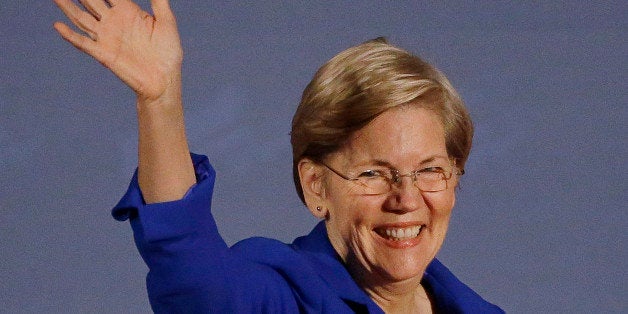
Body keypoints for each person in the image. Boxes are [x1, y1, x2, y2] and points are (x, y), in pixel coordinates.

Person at [54, 0, 504, 313]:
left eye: (429, 171)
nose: (406, 199)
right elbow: (193, 274)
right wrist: (161, 101)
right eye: (373, 173)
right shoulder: (282, 295)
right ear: (316, 186)